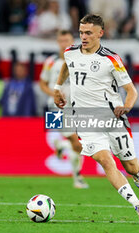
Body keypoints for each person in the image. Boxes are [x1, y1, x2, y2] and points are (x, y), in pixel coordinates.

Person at [53, 14, 139, 221]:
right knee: (105, 160)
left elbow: (131, 91)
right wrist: (57, 88)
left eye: (88, 32)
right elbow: (65, 67)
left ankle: (138, 172)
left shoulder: (111, 59)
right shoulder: (70, 53)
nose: (83, 36)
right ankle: (138, 206)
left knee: (130, 166)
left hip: (112, 119)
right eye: (81, 32)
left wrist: (126, 107)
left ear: (100, 33)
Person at [40, 30, 88, 189]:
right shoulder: (51, 62)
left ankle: (76, 176)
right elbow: (42, 84)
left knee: (76, 144)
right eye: (61, 41)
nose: (63, 44)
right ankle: (77, 177)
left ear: (72, 42)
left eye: (66, 40)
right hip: (54, 107)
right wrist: (54, 93)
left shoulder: (80, 61)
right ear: (57, 43)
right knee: (77, 143)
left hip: (75, 107)